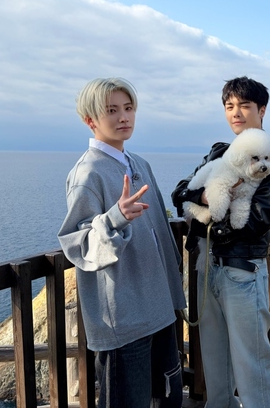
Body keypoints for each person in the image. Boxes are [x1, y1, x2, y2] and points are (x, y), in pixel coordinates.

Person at [58, 77, 186, 408]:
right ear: (90, 120)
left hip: (158, 308)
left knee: (167, 397)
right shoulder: (88, 174)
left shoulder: (139, 164)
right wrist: (115, 218)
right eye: (112, 110)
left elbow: (159, 231)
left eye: (128, 108)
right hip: (124, 319)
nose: (123, 117)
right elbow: (78, 245)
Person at [171, 76, 270, 407]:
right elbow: (179, 193)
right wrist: (207, 198)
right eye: (229, 106)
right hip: (208, 267)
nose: (236, 112)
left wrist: (210, 210)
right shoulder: (219, 152)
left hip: (243, 270)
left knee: (252, 364)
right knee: (215, 361)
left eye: (244, 105)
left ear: (262, 110)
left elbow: (256, 221)